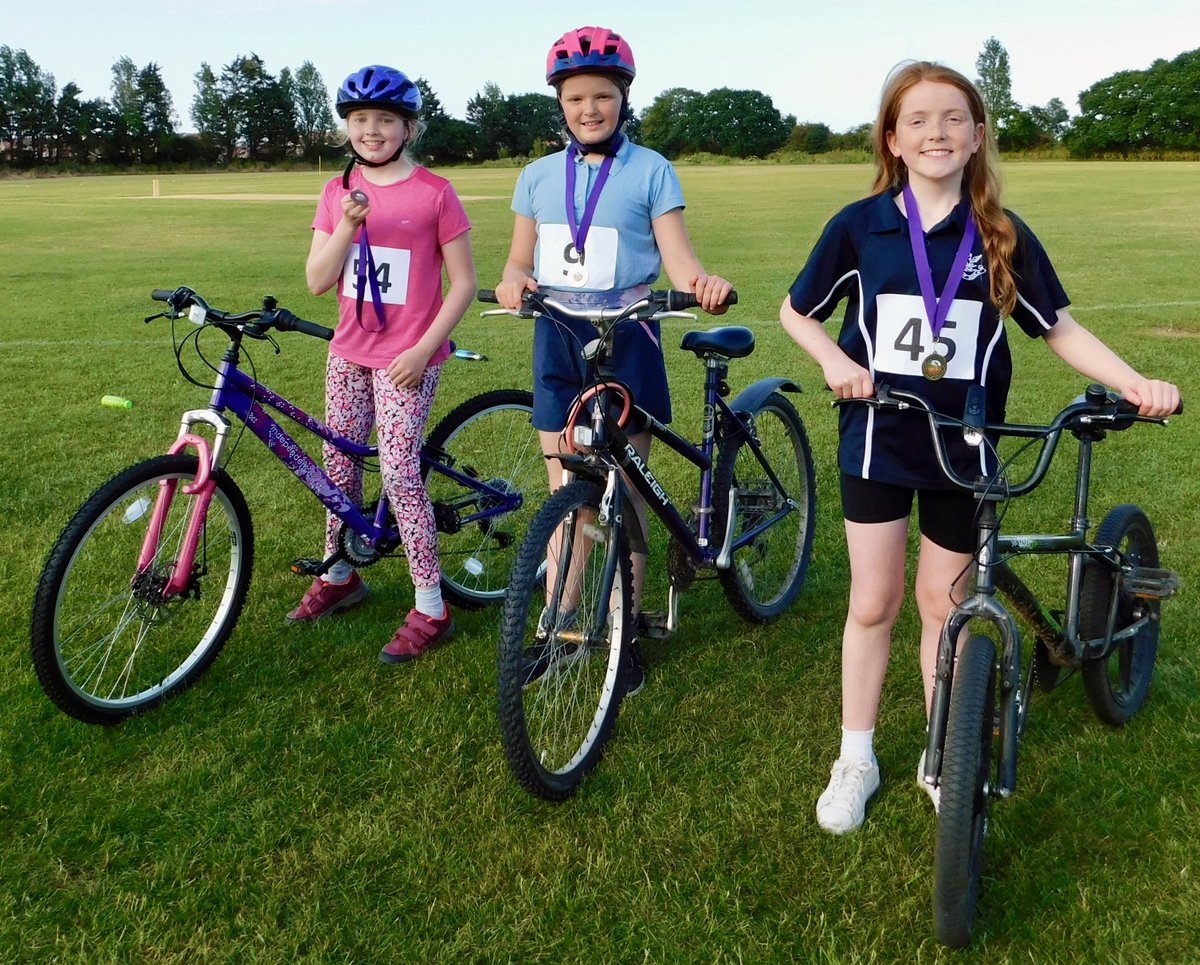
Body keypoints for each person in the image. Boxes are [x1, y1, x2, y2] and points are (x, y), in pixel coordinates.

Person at [779, 60, 1180, 834]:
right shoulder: (860, 225)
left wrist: (1135, 381)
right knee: (873, 601)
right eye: (919, 120)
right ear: (892, 138)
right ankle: (855, 756)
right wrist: (835, 361)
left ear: (977, 136)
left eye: (953, 118)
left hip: (965, 446)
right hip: (878, 440)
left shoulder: (999, 233)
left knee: (946, 602)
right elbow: (797, 312)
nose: (937, 132)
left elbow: (1055, 326)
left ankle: (945, 755)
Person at [494, 25, 733, 693]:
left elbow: (679, 258)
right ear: (560, 105)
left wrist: (702, 282)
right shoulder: (536, 176)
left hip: (629, 337)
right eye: (575, 99)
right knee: (566, 498)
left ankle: (624, 635)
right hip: (559, 338)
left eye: (602, 96)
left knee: (622, 499)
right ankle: (558, 624)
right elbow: (519, 257)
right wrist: (515, 279)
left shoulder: (652, 169)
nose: (589, 109)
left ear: (623, 99)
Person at [287, 64, 477, 665]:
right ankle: (341, 575)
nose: (371, 130)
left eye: (385, 120)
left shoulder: (435, 193)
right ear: (347, 126)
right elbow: (318, 281)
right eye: (360, 120)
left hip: (406, 359)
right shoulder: (337, 191)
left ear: (407, 127)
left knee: (398, 472)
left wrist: (423, 351)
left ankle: (431, 606)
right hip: (347, 353)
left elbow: (465, 284)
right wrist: (347, 221)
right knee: (336, 468)